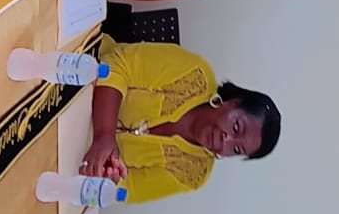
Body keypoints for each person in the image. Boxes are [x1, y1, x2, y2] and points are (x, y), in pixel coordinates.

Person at [79, 36, 282, 204]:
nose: (226, 140)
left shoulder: (193, 174)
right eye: (236, 127)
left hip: (74, 151)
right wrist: (104, 135)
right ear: (233, 103)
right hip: (79, 74)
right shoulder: (195, 72)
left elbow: (128, 190)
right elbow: (117, 65)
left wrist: (110, 179)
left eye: (236, 149)